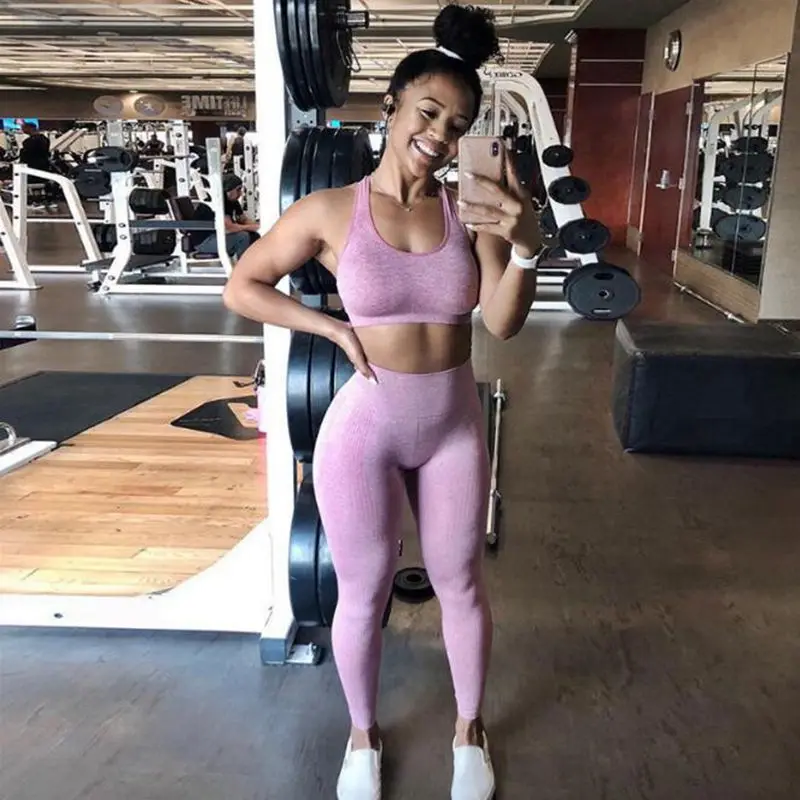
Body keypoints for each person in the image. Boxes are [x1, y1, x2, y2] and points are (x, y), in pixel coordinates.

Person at [223, 5, 543, 799]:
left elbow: (502, 322)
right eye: (427, 112)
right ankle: (362, 736)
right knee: (363, 590)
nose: (440, 133)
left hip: (453, 425)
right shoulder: (332, 209)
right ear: (391, 106)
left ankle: (469, 730)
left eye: (458, 124)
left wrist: (527, 247)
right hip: (364, 426)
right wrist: (330, 327)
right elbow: (244, 285)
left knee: (460, 582)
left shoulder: (471, 209)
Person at [191, 173, 259, 260]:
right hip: (204, 242)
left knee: (254, 235)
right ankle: (243, 266)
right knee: (243, 237)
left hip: (218, 236)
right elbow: (229, 228)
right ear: (228, 189)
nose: (241, 193)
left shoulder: (233, 201)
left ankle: (255, 263)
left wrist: (260, 226)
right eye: (238, 190)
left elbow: (243, 219)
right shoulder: (218, 201)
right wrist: (251, 227)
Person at [18, 122, 57, 209]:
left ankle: (36, 202)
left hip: (33, 165)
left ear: (30, 128)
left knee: (32, 182)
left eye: (24, 128)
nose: (22, 130)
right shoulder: (45, 139)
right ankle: (47, 201)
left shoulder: (29, 141)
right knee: (43, 182)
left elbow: (27, 154)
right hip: (43, 164)